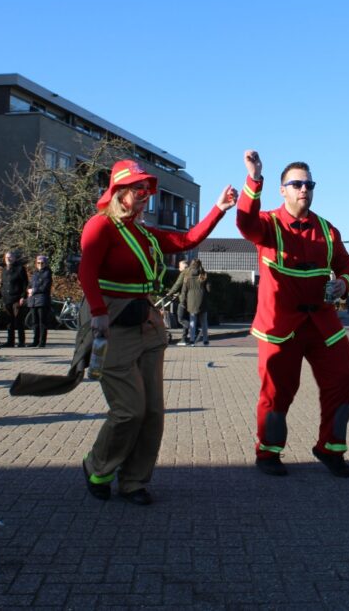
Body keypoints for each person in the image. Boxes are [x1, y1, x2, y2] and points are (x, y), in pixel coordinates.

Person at [78, 159, 235, 505]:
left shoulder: (145, 233)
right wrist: (99, 313)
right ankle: (98, 466)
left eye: (147, 188)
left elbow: (187, 239)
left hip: (147, 323)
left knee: (152, 413)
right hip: (113, 322)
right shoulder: (100, 226)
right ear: (119, 191)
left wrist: (219, 209)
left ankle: (133, 481)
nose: (145, 193)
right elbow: (86, 270)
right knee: (128, 410)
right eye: (138, 188)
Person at [237, 150, 349, 478]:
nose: (304, 189)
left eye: (309, 184)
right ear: (283, 190)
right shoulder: (268, 225)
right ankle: (268, 452)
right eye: (297, 184)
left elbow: (347, 265)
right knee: (278, 390)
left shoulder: (328, 230)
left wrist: (344, 283)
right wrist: (254, 179)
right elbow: (244, 222)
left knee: (346, 378)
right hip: (279, 326)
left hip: (322, 324)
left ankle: (330, 448)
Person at [0, 251, 29, 348]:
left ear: (14, 258)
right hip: (7, 298)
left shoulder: (20, 269)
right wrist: (1, 294)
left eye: (10, 257)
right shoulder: (4, 270)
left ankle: (21, 341)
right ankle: (10, 341)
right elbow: (2, 284)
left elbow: (25, 283)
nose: (8, 259)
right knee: (9, 321)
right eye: (6, 257)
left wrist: (23, 296)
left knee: (18, 321)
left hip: (17, 298)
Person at [181, 258, 211, 346]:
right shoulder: (204, 275)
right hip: (202, 300)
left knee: (192, 321)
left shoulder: (187, 275)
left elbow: (184, 291)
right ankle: (205, 340)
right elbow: (209, 289)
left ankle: (192, 340)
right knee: (204, 321)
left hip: (191, 300)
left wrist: (183, 301)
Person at [27, 254, 53, 348]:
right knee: (35, 322)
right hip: (33, 300)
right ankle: (35, 340)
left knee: (42, 322)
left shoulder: (47, 273)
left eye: (42, 263)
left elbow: (45, 287)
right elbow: (30, 284)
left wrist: (34, 290)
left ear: (45, 263)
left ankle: (42, 342)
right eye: (38, 263)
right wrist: (28, 290)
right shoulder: (35, 273)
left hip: (42, 300)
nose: (40, 265)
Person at [166, 260, 193, 345]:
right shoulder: (193, 273)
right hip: (192, 299)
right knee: (186, 318)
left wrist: (169, 293)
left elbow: (177, 284)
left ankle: (195, 329)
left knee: (180, 319)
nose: (178, 268)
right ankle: (184, 339)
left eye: (179, 266)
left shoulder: (184, 273)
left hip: (184, 299)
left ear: (184, 267)